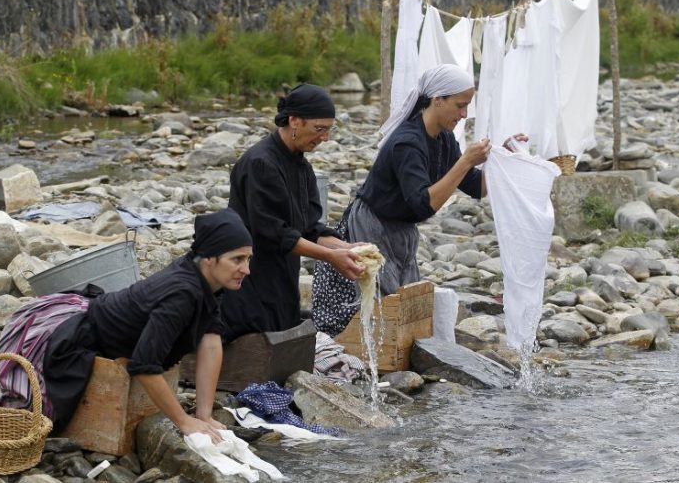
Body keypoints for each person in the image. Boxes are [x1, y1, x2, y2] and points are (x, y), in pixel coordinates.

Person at [0, 209, 253, 443]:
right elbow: (143, 365)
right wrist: (184, 422)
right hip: (71, 331)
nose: (246, 269)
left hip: (104, 319)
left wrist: (204, 415)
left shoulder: (208, 281)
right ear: (209, 258)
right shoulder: (182, 294)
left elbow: (210, 341)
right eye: (237, 259)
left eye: (248, 259)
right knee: (38, 417)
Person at [312, 64, 526, 335]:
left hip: (402, 228)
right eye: (460, 106)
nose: (464, 114)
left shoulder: (443, 139)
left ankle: (393, 355)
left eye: (467, 106)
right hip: (372, 225)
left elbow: (476, 187)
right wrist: (464, 162)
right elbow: (423, 204)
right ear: (438, 100)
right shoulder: (408, 142)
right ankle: (367, 354)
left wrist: (507, 158)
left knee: (404, 299)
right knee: (377, 300)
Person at [220, 84, 365, 342]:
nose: (325, 137)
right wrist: (332, 257)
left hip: (283, 272)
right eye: (319, 129)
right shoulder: (261, 163)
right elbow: (275, 233)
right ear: (294, 121)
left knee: (284, 332)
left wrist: (348, 248)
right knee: (257, 340)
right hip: (250, 274)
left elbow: (310, 228)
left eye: (329, 130)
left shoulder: (301, 166)